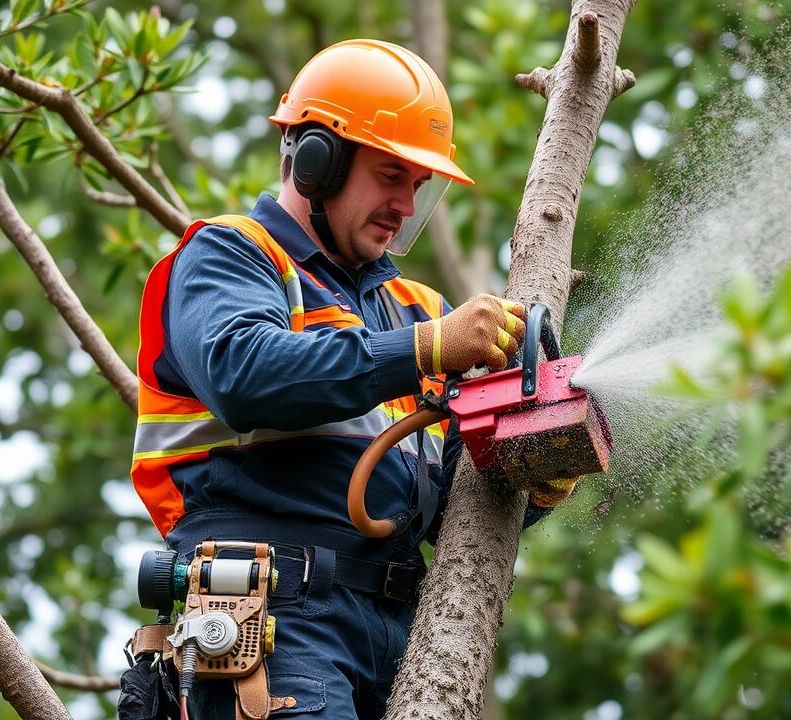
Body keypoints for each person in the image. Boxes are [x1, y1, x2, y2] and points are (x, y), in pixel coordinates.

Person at [129, 39, 577, 718]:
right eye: (390, 174)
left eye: (419, 187)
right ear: (318, 159)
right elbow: (242, 372)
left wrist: (542, 461)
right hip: (276, 612)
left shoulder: (418, 310)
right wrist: (426, 347)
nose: (404, 203)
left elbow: (463, 495)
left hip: (402, 634)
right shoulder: (233, 253)